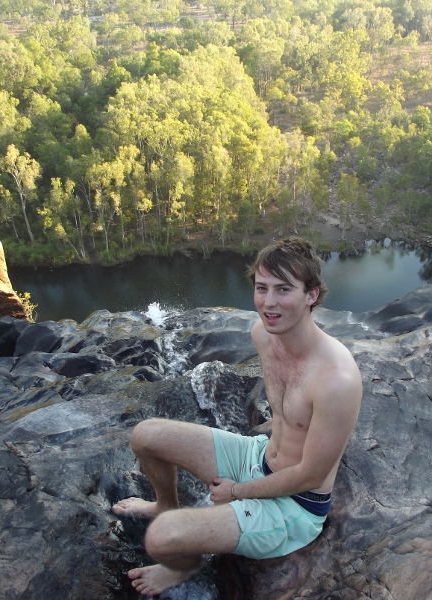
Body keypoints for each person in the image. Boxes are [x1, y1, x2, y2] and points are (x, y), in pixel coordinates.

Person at [112, 237, 363, 596]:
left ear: (311, 294)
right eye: (262, 288)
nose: (269, 302)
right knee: (145, 435)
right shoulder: (263, 334)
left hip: (295, 505)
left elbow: (312, 475)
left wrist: (237, 492)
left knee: (162, 538)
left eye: (283, 289)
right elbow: (285, 414)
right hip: (259, 458)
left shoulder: (336, 379)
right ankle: (164, 504)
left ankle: (187, 566)